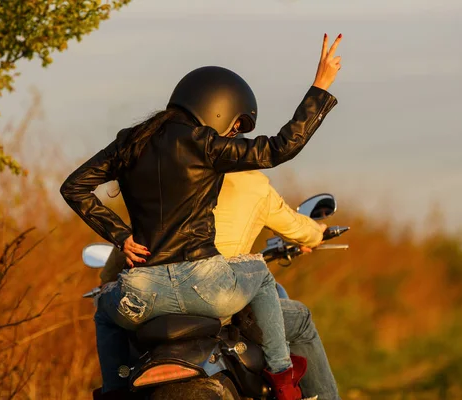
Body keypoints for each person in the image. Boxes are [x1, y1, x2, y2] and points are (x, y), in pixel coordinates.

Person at [61, 34, 342, 400]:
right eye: (234, 125)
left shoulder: (130, 141)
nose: (231, 133)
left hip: (143, 293)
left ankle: (115, 391)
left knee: (104, 308)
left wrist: (120, 236)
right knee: (258, 273)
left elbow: (74, 186)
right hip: (206, 287)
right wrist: (320, 87)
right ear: (217, 109)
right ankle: (283, 377)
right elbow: (280, 147)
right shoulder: (203, 144)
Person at [97, 170, 340, 399]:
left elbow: (135, 238)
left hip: (155, 297)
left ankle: (114, 391)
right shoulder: (252, 183)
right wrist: (317, 232)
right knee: (301, 319)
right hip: (218, 296)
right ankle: (292, 383)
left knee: (106, 309)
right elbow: (298, 228)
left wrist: (109, 277)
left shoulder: (172, 177)